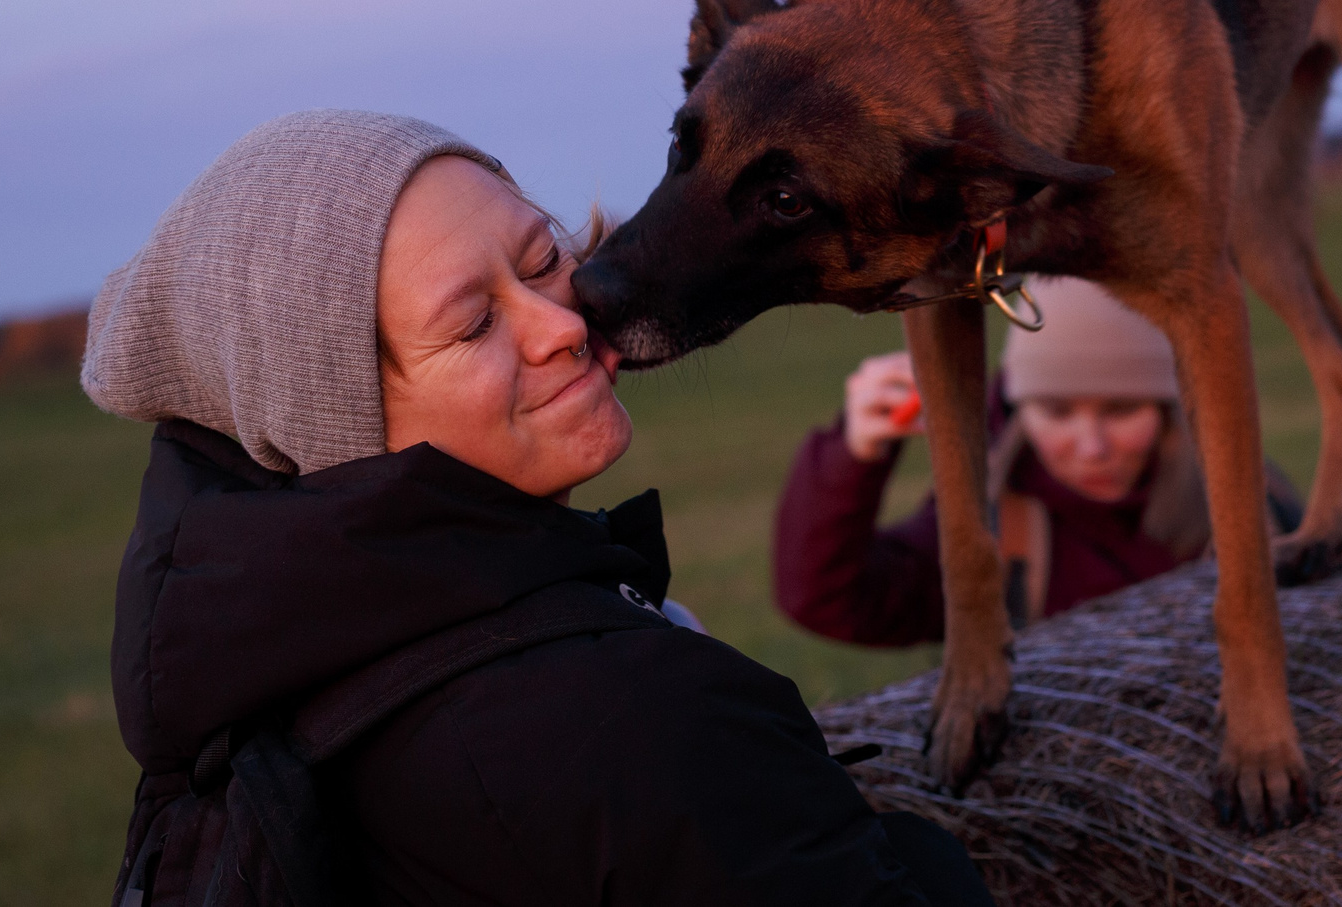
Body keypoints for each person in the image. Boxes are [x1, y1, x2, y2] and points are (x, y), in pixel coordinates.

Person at [84, 110, 990, 907]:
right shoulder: (622, 725)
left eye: (543, 258)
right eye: (474, 324)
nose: (562, 323)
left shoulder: (270, 667)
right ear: (338, 417)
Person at [774, 277, 1301, 645]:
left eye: (1121, 410)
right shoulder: (990, 532)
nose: (1090, 446)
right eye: (1055, 410)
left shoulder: (1253, 504)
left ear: (1170, 411)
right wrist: (853, 456)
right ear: (1016, 406)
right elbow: (826, 601)